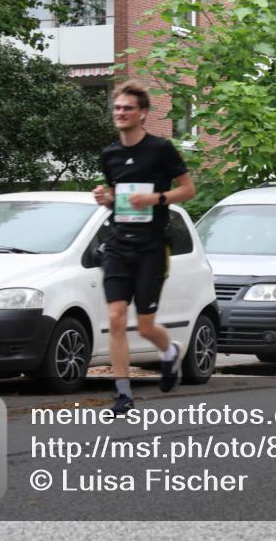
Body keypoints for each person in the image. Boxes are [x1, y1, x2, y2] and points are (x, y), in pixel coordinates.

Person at [93, 81, 196, 414]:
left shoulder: (160, 149)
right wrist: (106, 199)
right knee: (116, 317)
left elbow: (188, 189)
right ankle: (123, 394)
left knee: (147, 324)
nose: (120, 113)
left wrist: (156, 198)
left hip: (152, 248)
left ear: (143, 114)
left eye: (127, 108)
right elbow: (119, 204)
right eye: (117, 108)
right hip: (118, 245)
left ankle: (168, 352)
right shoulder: (110, 154)